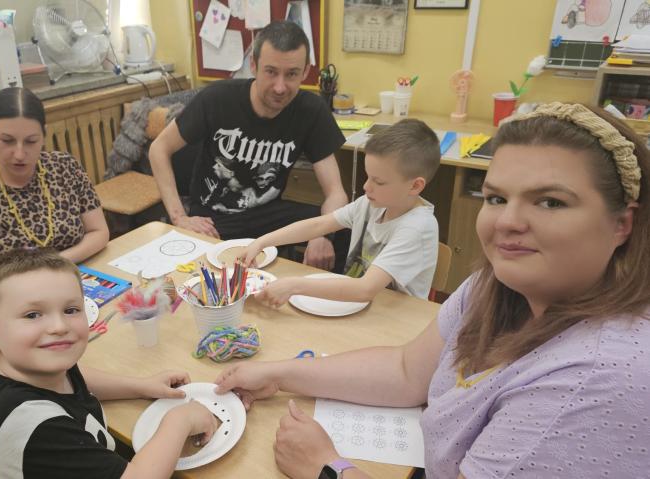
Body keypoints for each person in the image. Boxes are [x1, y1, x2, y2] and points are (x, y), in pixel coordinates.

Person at [215, 103, 650, 479]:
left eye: (550, 202)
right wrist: (278, 373)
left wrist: (327, 468)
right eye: (496, 198)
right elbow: (407, 370)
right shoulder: (494, 286)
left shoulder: (596, 382)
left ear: (621, 225)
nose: (507, 222)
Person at [0, 248, 218, 478]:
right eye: (32, 315)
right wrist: (181, 420)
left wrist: (142, 386)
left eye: (71, 310)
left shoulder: (40, 369)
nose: (59, 326)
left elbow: (78, 376)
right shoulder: (34, 424)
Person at [149, 20, 349, 271]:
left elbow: (336, 192)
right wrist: (180, 218)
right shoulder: (217, 98)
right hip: (214, 217)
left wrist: (323, 233)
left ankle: (320, 292)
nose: (280, 87)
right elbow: (158, 149)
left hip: (267, 213)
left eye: (291, 74)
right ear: (253, 65)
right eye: (271, 72)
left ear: (306, 71)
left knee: (342, 227)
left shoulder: (312, 110)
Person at [241, 119, 440, 305]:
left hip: (394, 319)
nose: (366, 186)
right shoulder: (371, 203)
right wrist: (262, 242)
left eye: (378, 182)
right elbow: (319, 225)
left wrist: (294, 286)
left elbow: (365, 289)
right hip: (355, 305)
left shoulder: (417, 228)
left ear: (415, 186)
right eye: (368, 176)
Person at [0, 87, 108, 264]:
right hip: (12, 283)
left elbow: (98, 232)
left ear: (44, 135)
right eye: (7, 141)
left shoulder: (65, 167)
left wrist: (55, 265)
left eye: (31, 141)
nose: (19, 154)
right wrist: (43, 270)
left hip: (75, 271)